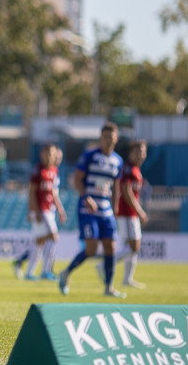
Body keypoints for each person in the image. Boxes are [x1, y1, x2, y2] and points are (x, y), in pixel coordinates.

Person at [57, 122, 126, 298]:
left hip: (106, 209)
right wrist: (86, 196)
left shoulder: (118, 161)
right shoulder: (89, 156)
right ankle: (66, 273)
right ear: (100, 138)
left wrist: (115, 204)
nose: (108, 141)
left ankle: (109, 287)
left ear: (116, 139)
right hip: (88, 208)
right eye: (105, 137)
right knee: (92, 249)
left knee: (110, 246)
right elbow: (77, 179)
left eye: (111, 137)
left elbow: (116, 185)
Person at [11, 143, 67, 281]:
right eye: (47, 153)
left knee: (40, 242)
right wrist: (34, 211)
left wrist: (60, 209)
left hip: (49, 209)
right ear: (42, 154)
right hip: (41, 210)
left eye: (52, 154)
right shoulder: (37, 171)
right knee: (53, 238)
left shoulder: (54, 171)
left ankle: (29, 272)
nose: (50, 156)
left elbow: (53, 193)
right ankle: (46, 271)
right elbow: (31, 192)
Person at [100, 140, 148, 289]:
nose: (140, 155)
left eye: (142, 152)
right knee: (134, 246)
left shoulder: (136, 170)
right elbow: (126, 191)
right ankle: (104, 265)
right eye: (137, 151)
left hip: (130, 214)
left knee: (132, 247)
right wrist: (139, 210)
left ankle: (127, 278)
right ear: (130, 153)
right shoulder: (128, 169)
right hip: (127, 213)